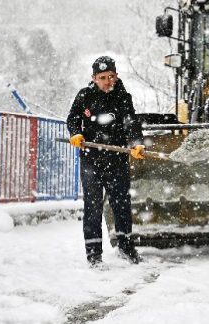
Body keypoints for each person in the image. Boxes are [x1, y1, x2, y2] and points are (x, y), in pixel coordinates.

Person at [67, 56, 146, 267]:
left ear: (117, 76)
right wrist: (75, 133)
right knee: (92, 208)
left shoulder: (122, 97)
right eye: (102, 77)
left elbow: (131, 122)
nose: (107, 81)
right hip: (91, 161)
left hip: (117, 160)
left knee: (121, 205)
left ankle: (127, 249)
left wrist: (136, 143)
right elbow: (73, 118)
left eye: (111, 76)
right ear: (93, 78)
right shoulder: (84, 96)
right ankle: (94, 256)